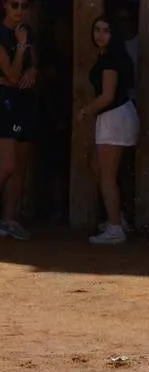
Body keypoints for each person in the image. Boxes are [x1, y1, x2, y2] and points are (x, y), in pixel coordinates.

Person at [78, 14, 139, 246]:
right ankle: (118, 218)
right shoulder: (109, 55)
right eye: (97, 29)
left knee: (107, 176)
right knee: (96, 165)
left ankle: (115, 228)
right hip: (114, 116)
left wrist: (85, 110)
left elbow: (106, 96)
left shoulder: (112, 58)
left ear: (113, 34)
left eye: (106, 30)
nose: (100, 34)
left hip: (114, 116)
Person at [0, 0, 40, 241]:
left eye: (24, 5)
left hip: (25, 101)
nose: (19, 9)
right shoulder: (2, 34)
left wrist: (33, 70)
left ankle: (10, 219)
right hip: (5, 100)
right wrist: (22, 47)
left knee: (21, 164)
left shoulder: (27, 30)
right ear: (4, 5)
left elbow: (34, 64)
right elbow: (12, 75)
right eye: (14, 4)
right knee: (7, 165)